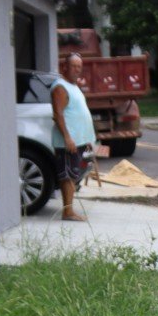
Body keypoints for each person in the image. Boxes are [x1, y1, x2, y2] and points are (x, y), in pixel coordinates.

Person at [50, 53, 97, 222]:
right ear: (65, 67)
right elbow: (58, 114)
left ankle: (69, 210)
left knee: (73, 174)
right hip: (67, 142)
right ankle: (67, 212)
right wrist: (68, 138)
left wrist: (87, 139)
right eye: (74, 66)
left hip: (78, 140)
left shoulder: (73, 86)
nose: (77, 70)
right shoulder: (60, 87)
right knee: (67, 175)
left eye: (79, 66)